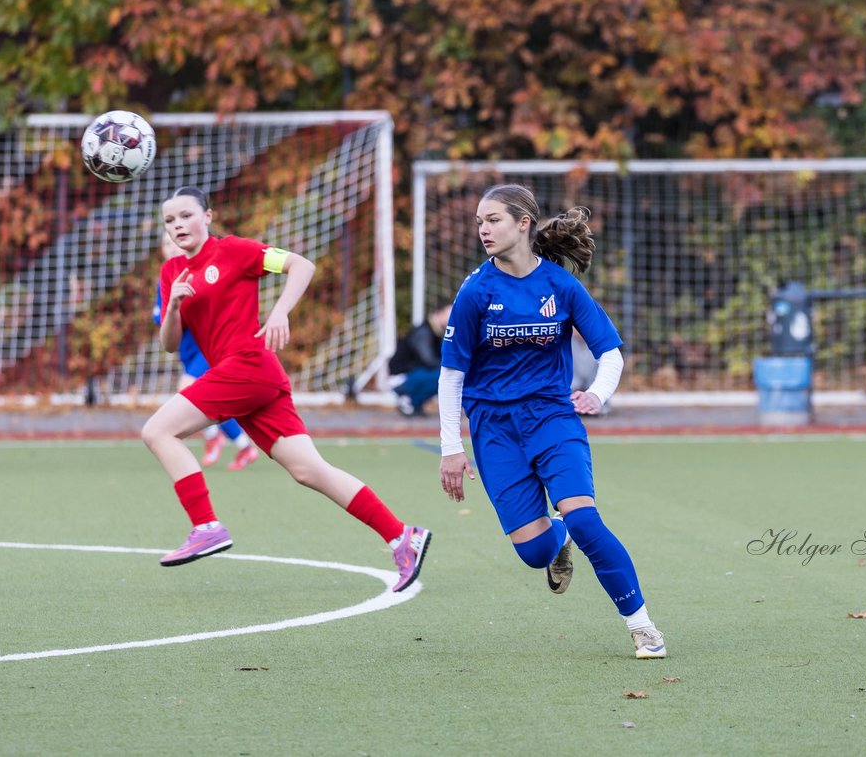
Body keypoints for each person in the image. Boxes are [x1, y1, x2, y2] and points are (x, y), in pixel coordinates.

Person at [144, 186, 431, 591]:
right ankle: (402, 536)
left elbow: (301, 265)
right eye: (170, 220)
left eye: (186, 215)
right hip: (250, 378)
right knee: (308, 469)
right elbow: (170, 344)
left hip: (247, 366)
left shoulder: (235, 251)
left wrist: (280, 311)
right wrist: (172, 306)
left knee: (156, 431)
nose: (178, 226)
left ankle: (206, 525)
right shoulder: (171, 273)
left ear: (208, 216)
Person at [437, 183, 665, 660]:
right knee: (535, 554)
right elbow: (451, 373)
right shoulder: (476, 290)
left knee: (585, 519)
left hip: (552, 419)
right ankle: (552, 537)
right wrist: (450, 447)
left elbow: (611, 353)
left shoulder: (560, 285)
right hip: (494, 429)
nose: (483, 229)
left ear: (524, 223)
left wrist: (597, 396)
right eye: (479, 221)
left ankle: (642, 626)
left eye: (493, 219)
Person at [154, 233, 259, 470]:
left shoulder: (200, 274)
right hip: (187, 353)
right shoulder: (166, 279)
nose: (170, 248)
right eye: (165, 244)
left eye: (174, 243)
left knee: (187, 388)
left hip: (207, 350)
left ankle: (213, 437)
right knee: (210, 399)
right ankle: (244, 447)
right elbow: (161, 321)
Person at [387, 304, 451, 417]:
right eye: (449, 314)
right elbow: (429, 361)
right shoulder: (423, 332)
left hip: (413, 373)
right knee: (446, 374)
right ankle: (409, 400)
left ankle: (414, 403)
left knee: (448, 374)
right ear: (439, 313)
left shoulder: (438, 332)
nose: (453, 318)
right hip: (401, 378)